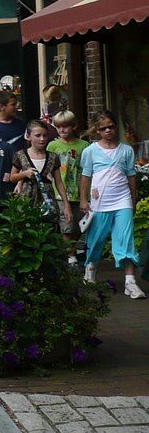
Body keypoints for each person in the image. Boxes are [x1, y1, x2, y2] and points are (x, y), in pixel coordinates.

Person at [80, 111, 144, 298]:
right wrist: (84, 199)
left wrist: (132, 200)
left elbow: (131, 176)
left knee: (126, 238)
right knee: (97, 239)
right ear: (97, 130)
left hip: (122, 199)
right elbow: (85, 176)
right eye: (103, 128)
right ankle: (90, 269)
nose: (108, 130)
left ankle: (130, 282)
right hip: (100, 202)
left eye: (111, 126)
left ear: (116, 127)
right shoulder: (90, 151)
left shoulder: (126, 150)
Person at [10, 119, 69, 228]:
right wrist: (24, 174)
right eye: (37, 135)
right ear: (29, 136)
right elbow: (12, 177)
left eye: (45, 135)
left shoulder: (53, 157)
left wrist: (66, 205)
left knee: (49, 231)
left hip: (47, 201)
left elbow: (59, 182)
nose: (42, 139)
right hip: (26, 200)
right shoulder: (20, 155)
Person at [49, 110, 87, 262]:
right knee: (66, 225)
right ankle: (71, 256)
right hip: (60, 192)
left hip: (79, 191)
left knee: (79, 225)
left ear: (74, 126)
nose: (62, 130)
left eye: (66, 126)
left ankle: (71, 249)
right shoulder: (53, 145)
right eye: (58, 127)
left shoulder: (84, 146)